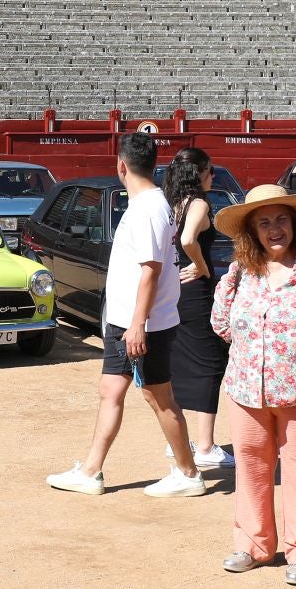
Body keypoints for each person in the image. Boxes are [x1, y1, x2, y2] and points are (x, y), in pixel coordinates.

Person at [47, 132, 204, 498]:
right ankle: (91, 471)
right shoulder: (149, 204)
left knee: (158, 397)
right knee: (111, 390)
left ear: (121, 166)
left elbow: (150, 270)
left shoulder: (147, 208)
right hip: (131, 321)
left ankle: (189, 472)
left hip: (142, 324)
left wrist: (137, 326)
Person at [210, 185, 296, 585]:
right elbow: (220, 324)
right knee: (252, 470)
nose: (275, 229)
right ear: (252, 231)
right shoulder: (240, 272)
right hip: (244, 390)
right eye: (264, 222)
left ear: (295, 225)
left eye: (281, 220)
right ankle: (252, 545)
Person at [162, 147, 232, 468]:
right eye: (211, 170)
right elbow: (190, 239)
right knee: (210, 363)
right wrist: (202, 266)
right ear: (199, 173)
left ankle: (177, 439)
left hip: (175, 290)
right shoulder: (200, 203)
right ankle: (205, 447)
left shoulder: (172, 204)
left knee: (180, 360)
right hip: (196, 292)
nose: (214, 176)